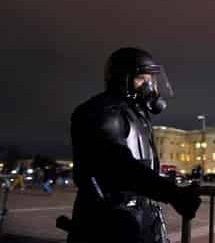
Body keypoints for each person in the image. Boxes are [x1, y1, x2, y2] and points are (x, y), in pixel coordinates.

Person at [67, 47, 201, 243]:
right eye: (141, 79)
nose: (148, 86)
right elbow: (120, 165)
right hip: (109, 222)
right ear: (122, 79)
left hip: (139, 218)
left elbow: (143, 166)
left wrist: (169, 186)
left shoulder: (136, 115)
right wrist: (172, 194)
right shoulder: (104, 111)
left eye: (150, 80)